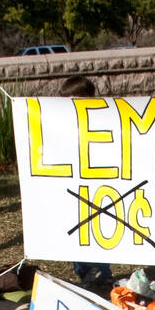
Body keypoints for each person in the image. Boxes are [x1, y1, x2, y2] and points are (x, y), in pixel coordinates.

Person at [61, 75, 112, 291]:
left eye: (75, 100)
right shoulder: (62, 124)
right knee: (76, 231)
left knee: (96, 227)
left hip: (96, 186)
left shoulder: (100, 121)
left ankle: (102, 273)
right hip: (73, 187)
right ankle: (84, 272)